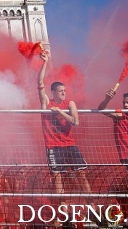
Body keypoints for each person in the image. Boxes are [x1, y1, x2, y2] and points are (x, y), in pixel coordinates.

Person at [37, 51, 91, 197]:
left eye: (64, 90)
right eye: (60, 91)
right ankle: (63, 210)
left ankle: (90, 203)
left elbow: (76, 121)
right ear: (53, 92)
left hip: (69, 144)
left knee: (81, 173)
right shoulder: (47, 102)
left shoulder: (70, 103)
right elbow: (40, 83)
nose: (63, 93)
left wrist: (60, 112)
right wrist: (45, 62)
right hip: (53, 146)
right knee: (57, 177)